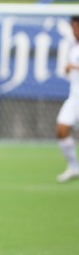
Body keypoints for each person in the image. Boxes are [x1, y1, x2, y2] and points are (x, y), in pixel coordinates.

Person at [56, 15, 79, 183]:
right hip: (74, 97)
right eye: (72, 27)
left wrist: (74, 66)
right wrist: (68, 71)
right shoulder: (74, 48)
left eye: (76, 27)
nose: (74, 31)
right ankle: (73, 167)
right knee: (61, 129)